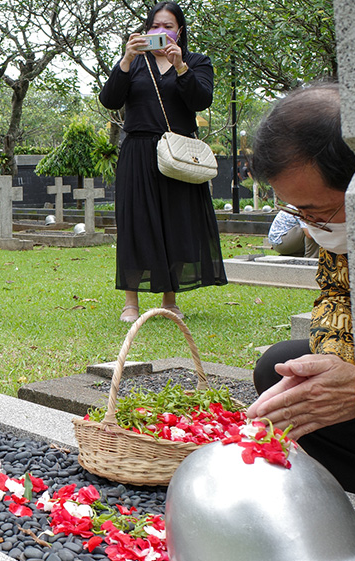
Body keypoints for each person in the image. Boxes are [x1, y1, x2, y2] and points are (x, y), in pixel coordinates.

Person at [247, 83, 355, 494]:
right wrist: (336, 366)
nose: (309, 225)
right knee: (283, 368)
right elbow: (337, 296)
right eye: (296, 211)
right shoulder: (341, 229)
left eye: (313, 211)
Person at [98, 1, 226, 323]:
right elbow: (110, 99)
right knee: (135, 225)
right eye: (155, 26)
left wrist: (181, 67)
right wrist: (127, 59)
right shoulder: (136, 64)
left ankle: (170, 300)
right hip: (138, 153)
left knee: (177, 224)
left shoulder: (197, 62)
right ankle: (131, 302)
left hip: (178, 154)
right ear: (146, 29)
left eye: (168, 26)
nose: (161, 32)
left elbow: (201, 100)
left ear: (179, 31)